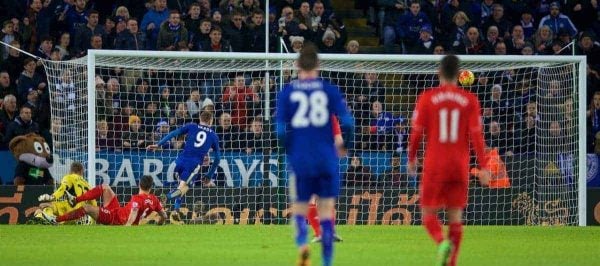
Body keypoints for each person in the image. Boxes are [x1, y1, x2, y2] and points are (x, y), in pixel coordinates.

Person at [276, 43, 355, 266]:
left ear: (297, 65)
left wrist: (291, 149)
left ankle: (303, 247)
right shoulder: (329, 90)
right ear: (318, 65)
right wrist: (344, 147)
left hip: (301, 158)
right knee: (327, 210)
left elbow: (280, 131)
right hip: (326, 158)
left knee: (300, 208)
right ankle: (327, 262)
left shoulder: (288, 92)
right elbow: (348, 123)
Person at [407, 54, 490, 266]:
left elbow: (416, 133)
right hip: (460, 166)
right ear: (459, 75)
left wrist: (411, 157)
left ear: (439, 73)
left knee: (427, 214)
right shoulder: (470, 100)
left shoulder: (427, 97)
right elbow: (477, 137)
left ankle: (441, 242)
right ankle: (451, 262)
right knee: (455, 218)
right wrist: (483, 166)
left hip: (435, 164)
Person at [146, 111, 220, 219]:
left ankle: (176, 210)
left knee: (182, 184)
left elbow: (173, 133)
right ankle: (165, 197)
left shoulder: (191, 126)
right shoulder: (213, 135)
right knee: (183, 187)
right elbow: (217, 159)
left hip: (179, 161)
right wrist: (209, 175)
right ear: (211, 121)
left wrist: (158, 144)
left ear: (200, 118)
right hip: (193, 165)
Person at [42, 175, 167, 226]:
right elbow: (164, 215)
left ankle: (56, 220)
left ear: (139, 184)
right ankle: (75, 200)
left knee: (87, 208)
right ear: (151, 187)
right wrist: (159, 224)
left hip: (115, 219)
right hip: (117, 211)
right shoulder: (154, 200)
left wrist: (127, 227)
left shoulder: (137, 198)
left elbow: (134, 211)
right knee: (105, 187)